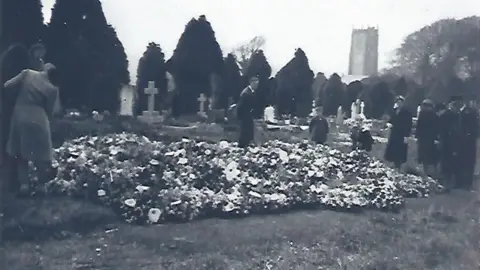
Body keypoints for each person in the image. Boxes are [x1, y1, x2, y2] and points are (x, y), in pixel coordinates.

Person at [3, 63, 59, 195]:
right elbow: (50, 110)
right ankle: (41, 186)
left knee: (21, 151)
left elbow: (7, 86)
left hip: (21, 113)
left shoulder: (27, 73)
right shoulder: (52, 89)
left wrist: (15, 98)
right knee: (41, 153)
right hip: (39, 116)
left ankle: (24, 186)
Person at [0, 44, 30, 192]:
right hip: (16, 110)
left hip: (6, 110)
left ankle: (10, 182)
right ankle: (15, 182)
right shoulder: (21, 69)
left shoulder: (5, 65)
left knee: (7, 146)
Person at [438, 95, 465, 189]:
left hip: (455, 142)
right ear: (450, 105)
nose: (455, 107)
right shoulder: (446, 116)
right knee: (447, 163)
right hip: (447, 142)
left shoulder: (458, 115)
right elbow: (442, 130)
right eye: (454, 105)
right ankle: (447, 182)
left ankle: (452, 182)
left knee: (454, 163)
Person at [384, 96, 413, 169]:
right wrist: (388, 123)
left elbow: (409, 124)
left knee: (400, 150)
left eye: (400, 102)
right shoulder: (394, 111)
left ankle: (398, 165)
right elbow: (391, 119)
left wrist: (407, 135)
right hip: (394, 132)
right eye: (398, 102)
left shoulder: (407, 112)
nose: (399, 104)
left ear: (403, 103)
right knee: (393, 149)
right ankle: (393, 164)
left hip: (402, 133)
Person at [415, 99, 440, 176]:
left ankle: (427, 171)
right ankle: (429, 171)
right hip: (428, 138)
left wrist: (417, 136)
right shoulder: (433, 115)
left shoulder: (424, 114)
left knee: (426, 155)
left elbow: (419, 126)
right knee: (428, 155)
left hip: (426, 138)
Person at [458, 99, 479, 190]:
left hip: (468, 141)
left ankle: (466, 182)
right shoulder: (466, 114)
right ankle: (465, 182)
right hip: (466, 141)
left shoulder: (472, 114)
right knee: (466, 162)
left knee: (468, 162)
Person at [236, 76, 258, 147]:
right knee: (245, 129)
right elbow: (241, 105)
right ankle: (242, 144)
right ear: (251, 83)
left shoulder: (250, 91)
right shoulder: (246, 93)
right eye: (255, 84)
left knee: (248, 129)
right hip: (245, 114)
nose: (256, 86)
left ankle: (247, 143)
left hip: (248, 113)